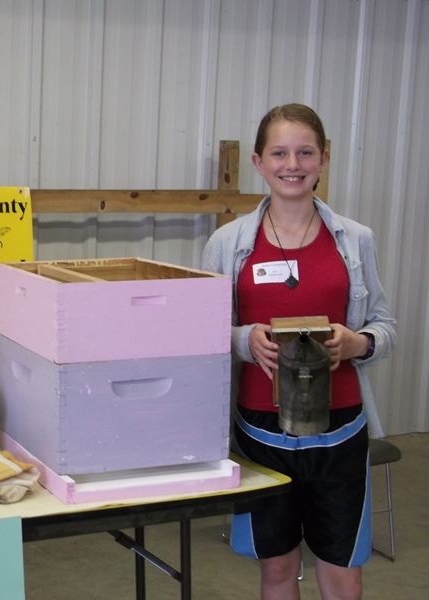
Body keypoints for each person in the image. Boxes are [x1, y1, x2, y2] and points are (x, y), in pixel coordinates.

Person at [201, 104, 396, 600]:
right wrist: (245, 339)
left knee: (342, 573)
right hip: (261, 433)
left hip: (340, 433)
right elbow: (202, 332)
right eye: (280, 153)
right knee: (278, 570)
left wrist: (358, 343)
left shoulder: (356, 240)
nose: (293, 164)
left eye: (305, 152)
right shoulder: (227, 244)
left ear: (324, 158)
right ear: (258, 162)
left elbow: (385, 326)